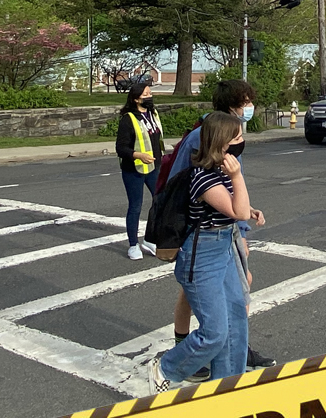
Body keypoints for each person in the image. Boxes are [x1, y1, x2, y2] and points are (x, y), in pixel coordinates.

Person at [166, 79, 275, 379]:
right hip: (204, 238)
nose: (250, 107)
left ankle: (228, 375)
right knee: (211, 319)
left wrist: (244, 215)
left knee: (236, 305)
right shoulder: (203, 146)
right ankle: (179, 357)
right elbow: (181, 184)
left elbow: (233, 197)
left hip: (223, 233)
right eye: (245, 102)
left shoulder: (226, 146)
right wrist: (240, 222)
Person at [150, 112, 252, 391]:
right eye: (237, 137)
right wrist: (237, 176)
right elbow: (238, 211)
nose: (242, 142)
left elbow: (237, 207)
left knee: (235, 321)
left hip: (223, 248)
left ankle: (228, 385)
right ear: (221, 142)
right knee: (215, 332)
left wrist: (249, 208)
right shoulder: (205, 177)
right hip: (202, 255)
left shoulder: (220, 172)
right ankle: (166, 367)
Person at [115, 80, 163, 260]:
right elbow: (121, 148)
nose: (149, 97)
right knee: (135, 206)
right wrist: (138, 155)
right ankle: (133, 244)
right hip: (134, 169)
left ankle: (151, 240)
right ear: (136, 99)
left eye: (150, 93)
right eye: (145, 94)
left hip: (154, 167)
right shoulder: (128, 119)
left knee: (161, 201)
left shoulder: (153, 114)